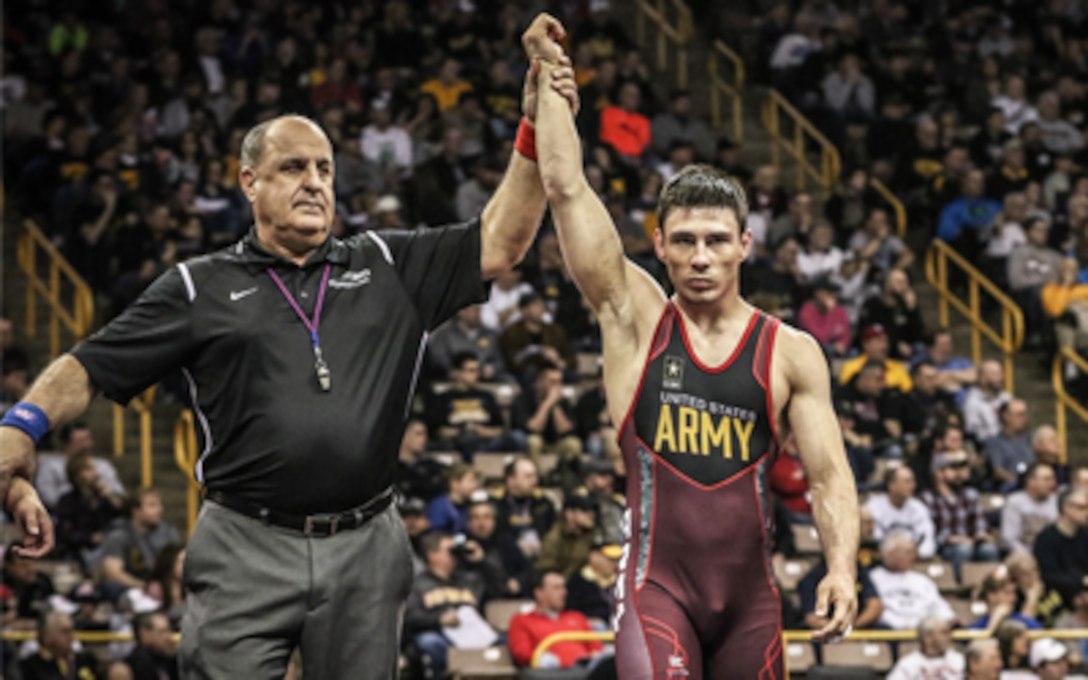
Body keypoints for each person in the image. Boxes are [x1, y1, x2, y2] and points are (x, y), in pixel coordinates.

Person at [0, 16, 582, 679]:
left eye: (325, 169)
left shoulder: (388, 262)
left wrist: (535, 122)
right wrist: (21, 425)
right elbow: (91, 367)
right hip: (246, 541)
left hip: (367, 544)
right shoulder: (199, 286)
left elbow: (504, 239)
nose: (314, 182)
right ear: (249, 183)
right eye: (293, 167)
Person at [532, 61, 859, 679]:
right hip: (658, 590)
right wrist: (548, 89)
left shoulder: (789, 351)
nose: (700, 257)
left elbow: (830, 474)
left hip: (751, 605)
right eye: (683, 241)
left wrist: (842, 568)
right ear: (659, 246)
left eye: (716, 240)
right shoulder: (637, 321)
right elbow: (567, 187)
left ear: (745, 244)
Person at [404, 531, 493, 680]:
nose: (455, 554)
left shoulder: (469, 579)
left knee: (505, 641)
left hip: (472, 634)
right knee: (429, 642)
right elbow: (409, 617)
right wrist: (439, 618)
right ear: (432, 555)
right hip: (439, 635)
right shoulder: (417, 584)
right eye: (450, 550)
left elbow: (501, 588)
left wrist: (481, 561)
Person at [920, 450, 999, 577]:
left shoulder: (970, 494)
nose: (960, 473)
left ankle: (992, 586)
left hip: (970, 542)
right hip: (943, 549)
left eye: (963, 468)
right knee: (963, 549)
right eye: (954, 468)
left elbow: (980, 523)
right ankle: (959, 587)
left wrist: (980, 534)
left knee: (988, 549)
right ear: (939, 473)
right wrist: (952, 539)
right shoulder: (928, 498)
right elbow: (929, 532)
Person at [507, 569, 604, 668]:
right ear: (539, 593)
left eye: (563, 587)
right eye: (556, 588)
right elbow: (522, 654)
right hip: (552, 673)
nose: (564, 592)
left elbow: (596, 648)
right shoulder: (521, 620)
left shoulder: (577, 617)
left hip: (586, 671)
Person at [100, 488, 182, 600]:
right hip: (135, 589)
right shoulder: (119, 535)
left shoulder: (169, 533)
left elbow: (180, 566)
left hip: (167, 589)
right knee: (113, 588)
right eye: (152, 506)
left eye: (160, 505)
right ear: (136, 511)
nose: (160, 510)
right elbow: (113, 574)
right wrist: (146, 587)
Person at [868, 530, 955, 630]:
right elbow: (875, 612)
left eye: (913, 552)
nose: (914, 556)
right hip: (890, 634)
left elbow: (940, 608)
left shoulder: (922, 580)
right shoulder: (872, 578)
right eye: (908, 552)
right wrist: (901, 626)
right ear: (889, 554)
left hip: (925, 632)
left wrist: (947, 619)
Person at [865, 466, 937, 559]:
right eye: (907, 482)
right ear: (892, 485)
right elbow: (873, 538)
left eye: (913, 481)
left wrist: (918, 552)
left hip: (915, 559)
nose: (913, 486)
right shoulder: (874, 506)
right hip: (883, 558)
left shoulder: (919, 507)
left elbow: (928, 539)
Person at [1034, 488, 1088, 602]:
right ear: (1066, 508)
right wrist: (1081, 580)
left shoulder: (1085, 533)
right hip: (1059, 598)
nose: (1086, 512)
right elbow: (1049, 576)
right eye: (1082, 508)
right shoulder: (1046, 539)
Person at [20, 610, 101, 680]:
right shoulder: (30, 667)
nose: (71, 636)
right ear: (46, 636)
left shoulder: (85, 660)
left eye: (71, 630)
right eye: (64, 631)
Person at [1002, 462, 1059, 554]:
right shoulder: (1015, 502)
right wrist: (1027, 556)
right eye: (1047, 479)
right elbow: (1009, 538)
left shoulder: (1057, 501)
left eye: (1053, 479)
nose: (1053, 483)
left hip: (1052, 554)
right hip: (1023, 554)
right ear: (1031, 482)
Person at [886, 615, 965, 680]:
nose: (950, 636)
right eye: (944, 632)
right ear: (927, 637)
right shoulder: (907, 664)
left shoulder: (959, 660)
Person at [125, 611, 179, 680]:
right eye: (162, 631)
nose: (169, 636)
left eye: (169, 630)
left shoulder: (166, 659)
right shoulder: (135, 666)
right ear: (144, 634)